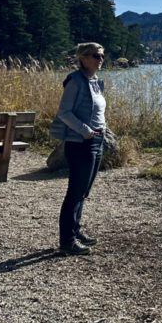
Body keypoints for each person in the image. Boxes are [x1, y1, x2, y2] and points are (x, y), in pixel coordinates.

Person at [49, 42, 107, 256]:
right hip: (80, 142)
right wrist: (85, 130)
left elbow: (97, 112)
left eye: (101, 55)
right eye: (95, 55)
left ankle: (76, 231)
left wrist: (102, 130)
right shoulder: (75, 81)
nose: (100, 59)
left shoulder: (97, 83)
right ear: (83, 58)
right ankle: (67, 241)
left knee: (83, 192)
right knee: (75, 192)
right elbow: (64, 112)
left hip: (97, 141)